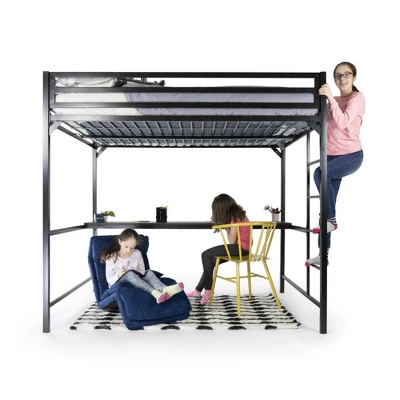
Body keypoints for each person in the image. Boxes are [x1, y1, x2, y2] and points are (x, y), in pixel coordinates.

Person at [306, 61, 365, 267]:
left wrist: (330, 98)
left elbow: (342, 123)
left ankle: (331, 220)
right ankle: (323, 254)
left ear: (354, 77)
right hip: (331, 157)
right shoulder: (334, 101)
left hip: (351, 156)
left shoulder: (357, 98)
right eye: (338, 75)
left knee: (319, 173)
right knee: (325, 207)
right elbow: (327, 127)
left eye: (346, 74)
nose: (342, 79)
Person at [186, 193, 250, 305]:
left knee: (206, 254)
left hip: (240, 249)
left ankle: (208, 290)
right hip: (243, 249)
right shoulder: (238, 215)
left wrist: (226, 226)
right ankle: (198, 291)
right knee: (211, 261)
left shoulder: (234, 219)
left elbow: (232, 241)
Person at [101, 228, 184, 303]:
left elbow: (142, 271)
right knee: (129, 274)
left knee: (149, 272)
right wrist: (119, 274)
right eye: (126, 246)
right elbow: (109, 280)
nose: (128, 250)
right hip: (121, 284)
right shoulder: (111, 258)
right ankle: (155, 293)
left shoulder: (137, 253)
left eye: (132, 248)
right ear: (120, 242)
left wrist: (137, 273)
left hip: (137, 281)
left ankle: (165, 289)